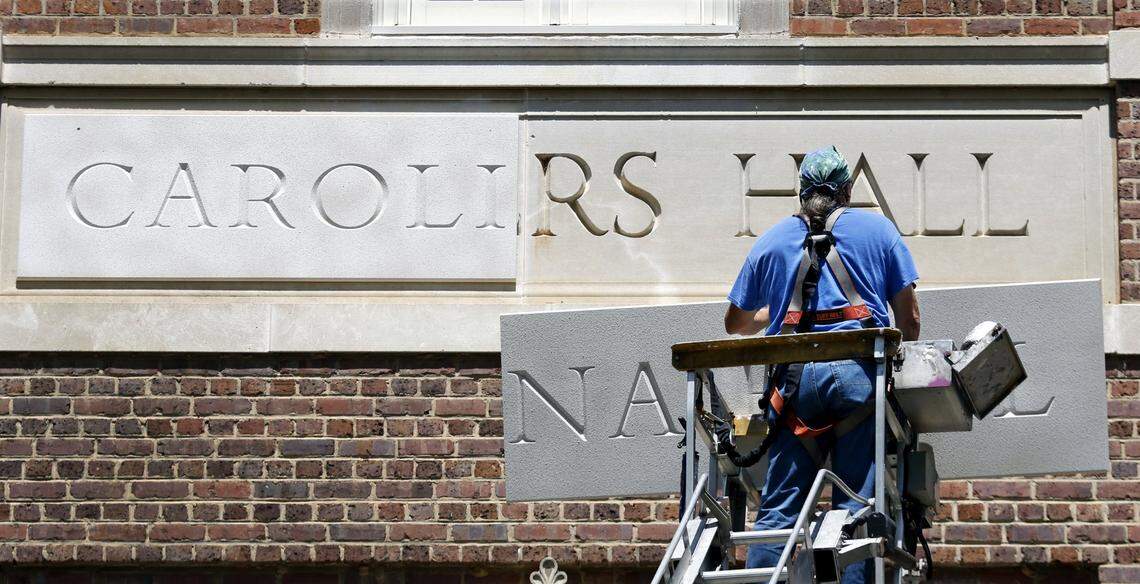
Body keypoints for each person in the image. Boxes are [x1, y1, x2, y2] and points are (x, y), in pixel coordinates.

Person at [723, 146, 920, 584]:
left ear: (801, 193)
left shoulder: (772, 241)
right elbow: (910, 321)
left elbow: (735, 322)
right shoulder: (878, 230)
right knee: (853, 511)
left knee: (778, 509)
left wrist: (777, 314)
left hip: (794, 387)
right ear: (847, 191)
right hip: (858, 380)